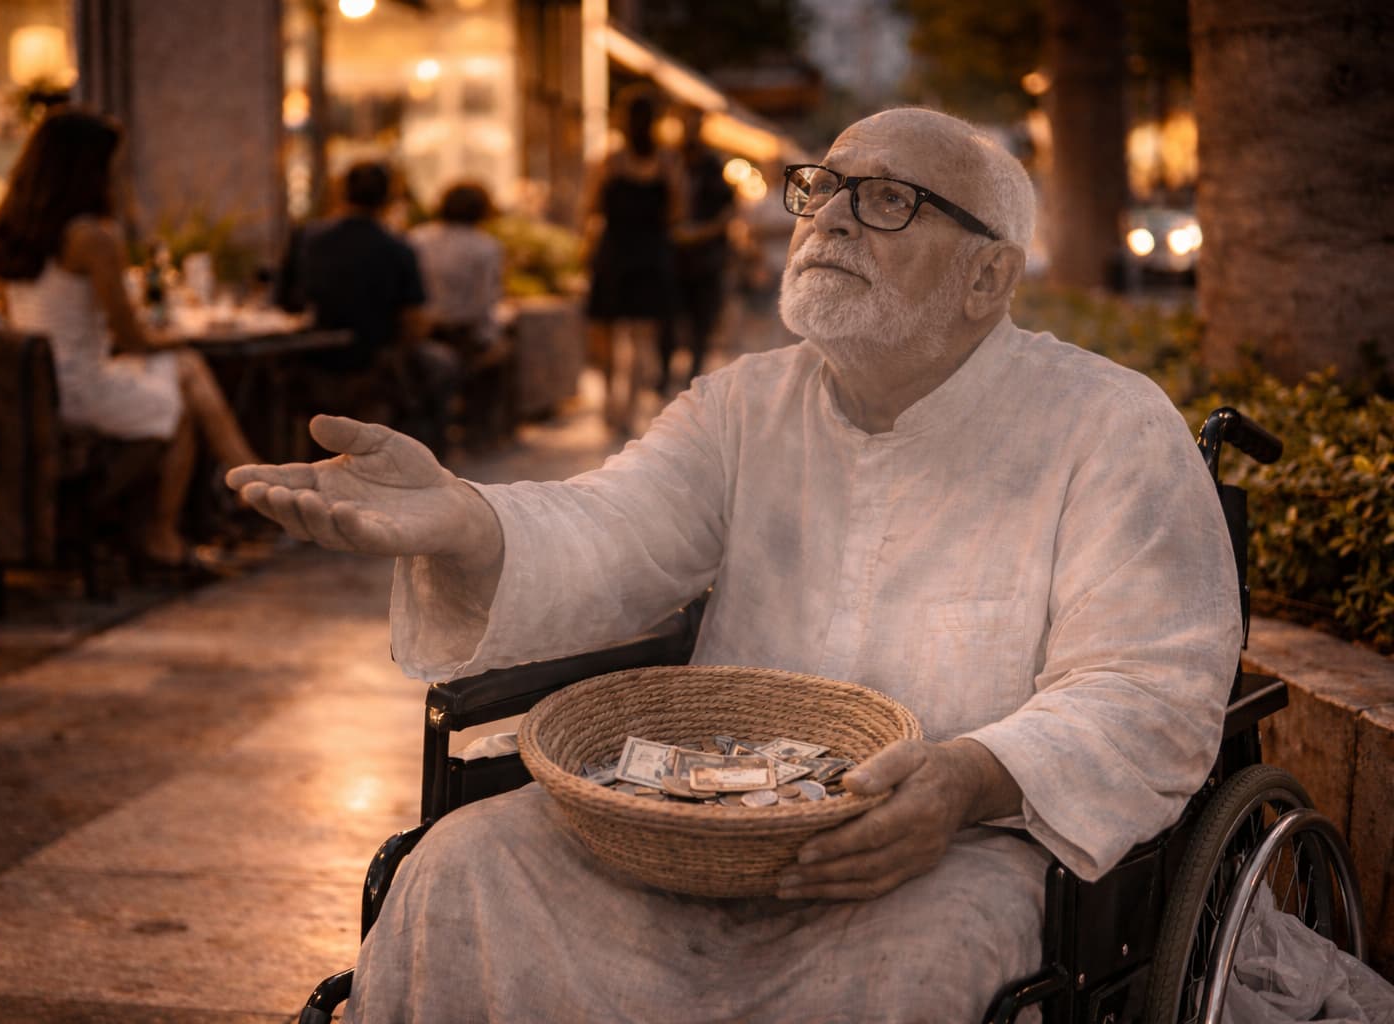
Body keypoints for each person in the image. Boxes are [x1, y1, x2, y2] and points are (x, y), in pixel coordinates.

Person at [227, 107, 1242, 1021]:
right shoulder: (744, 406)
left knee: (926, 962)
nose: (831, 219)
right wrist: (464, 519)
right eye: (823, 188)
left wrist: (969, 778)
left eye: (888, 200)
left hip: (961, 846)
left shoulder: (1107, 427)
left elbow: (1148, 682)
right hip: (694, 823)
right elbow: (612, 526)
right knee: (460, 867)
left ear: (989, 275)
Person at [0, 107, 257, 572]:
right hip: (81, 390)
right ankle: (170, 530)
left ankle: (243, 481)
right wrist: (171, 338)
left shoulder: (9, 231)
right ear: (90, 169)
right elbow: (131, 337)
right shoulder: (92, 236)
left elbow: (18, 319)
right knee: (181, 386)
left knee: (181, 375)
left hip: (33, 390)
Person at [277, 161, 454, 457]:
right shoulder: (397, 247)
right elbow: (413, 321)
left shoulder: (306, 238)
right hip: (373, 369)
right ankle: (431, 458)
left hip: (309, 366)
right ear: (389, 199)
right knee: (442, 365)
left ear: (340, 191)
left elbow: (283, 302)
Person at [581, 86, 683, 434]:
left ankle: (611, 403)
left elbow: (591, 208)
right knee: (643, 336)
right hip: (651, 252)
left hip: (614, 252)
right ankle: (631, 406)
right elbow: (676, 212)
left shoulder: (609, 161)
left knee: (607, 333)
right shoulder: (667, 163)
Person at [407, 183, 512, 448]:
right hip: (461, 333)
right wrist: (492, 338)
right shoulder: (485, 247)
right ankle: (480, 432)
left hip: (419, 331)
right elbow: (484, 303)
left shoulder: (417, 238)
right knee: (502, 356)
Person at [663, 105, 737, 391]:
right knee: (669, 319)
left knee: (701, 321)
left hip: (706, 257)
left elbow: (729, 210)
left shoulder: (714, 165)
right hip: (674, 256)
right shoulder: (670, 159)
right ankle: (665, 375)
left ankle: (692, 375)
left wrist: (703, 233)